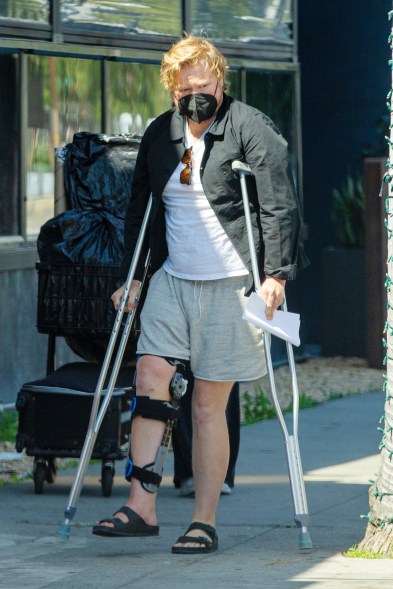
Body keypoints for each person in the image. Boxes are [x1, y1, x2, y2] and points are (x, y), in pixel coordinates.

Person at [92, 34, 307, 554]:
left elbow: (280, 204)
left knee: (209, 405)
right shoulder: (159, 135)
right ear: (172, 90)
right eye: (186, 87)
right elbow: (140, 210)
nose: (196, 95)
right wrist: (135, 275)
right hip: (173, 276)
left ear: (220, 81)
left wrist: (275, 275)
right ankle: (141, 506)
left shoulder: (251, 128)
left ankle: (203, 520)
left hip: (232, 281)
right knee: (151, 375)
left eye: (204, 85)